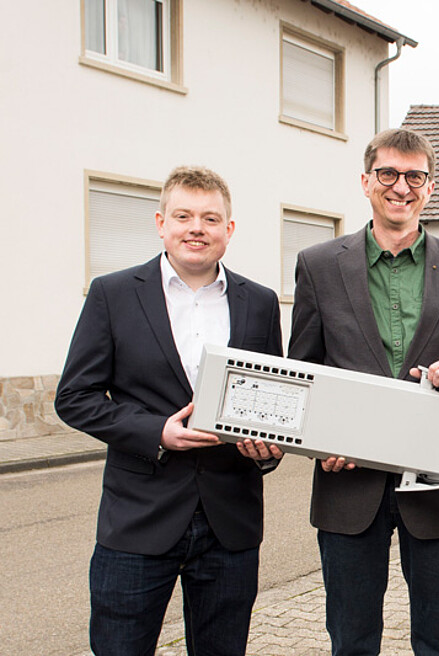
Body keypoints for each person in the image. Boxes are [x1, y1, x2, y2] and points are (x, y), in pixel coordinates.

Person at [288, 128, 439, 656]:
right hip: (348, 489)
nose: (401, 187)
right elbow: (301, 375)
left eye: (414, 176)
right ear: (366, 182)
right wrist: (322, 442)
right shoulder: (318, 266)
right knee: (351, 640)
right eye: (388, 173)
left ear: (430, 188)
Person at [55, 166, 284, 655]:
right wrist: (156, 432)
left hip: (231, 521)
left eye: (210, 218)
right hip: (138, 518)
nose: (196, 228)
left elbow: (272, 405)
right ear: (162, 222)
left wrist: (268, 451)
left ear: (230, 229)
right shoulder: (113, 294)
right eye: (183, 216)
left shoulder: (260, 303)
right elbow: (75, 397)